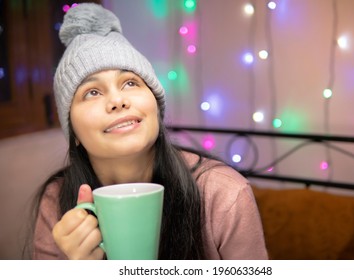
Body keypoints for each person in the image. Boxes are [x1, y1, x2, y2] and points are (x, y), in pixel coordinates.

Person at [31, 3, 268, 260]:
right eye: (92, 92)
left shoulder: (224, 194)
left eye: (131, 82)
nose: (117, 101)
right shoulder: (56, 201)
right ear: (72, 131)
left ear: (156, 106)